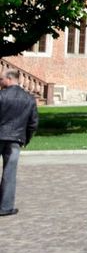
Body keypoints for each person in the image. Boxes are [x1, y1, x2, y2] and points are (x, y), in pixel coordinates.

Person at [0, 69, 39, 216]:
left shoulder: (1, 95)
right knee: (9, 174)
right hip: (16, 139)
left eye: (1, 79)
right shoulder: (29, 99)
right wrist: (25, 138)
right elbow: (33, 123)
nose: (0, 82)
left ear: (9, 79)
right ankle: (5, 207)